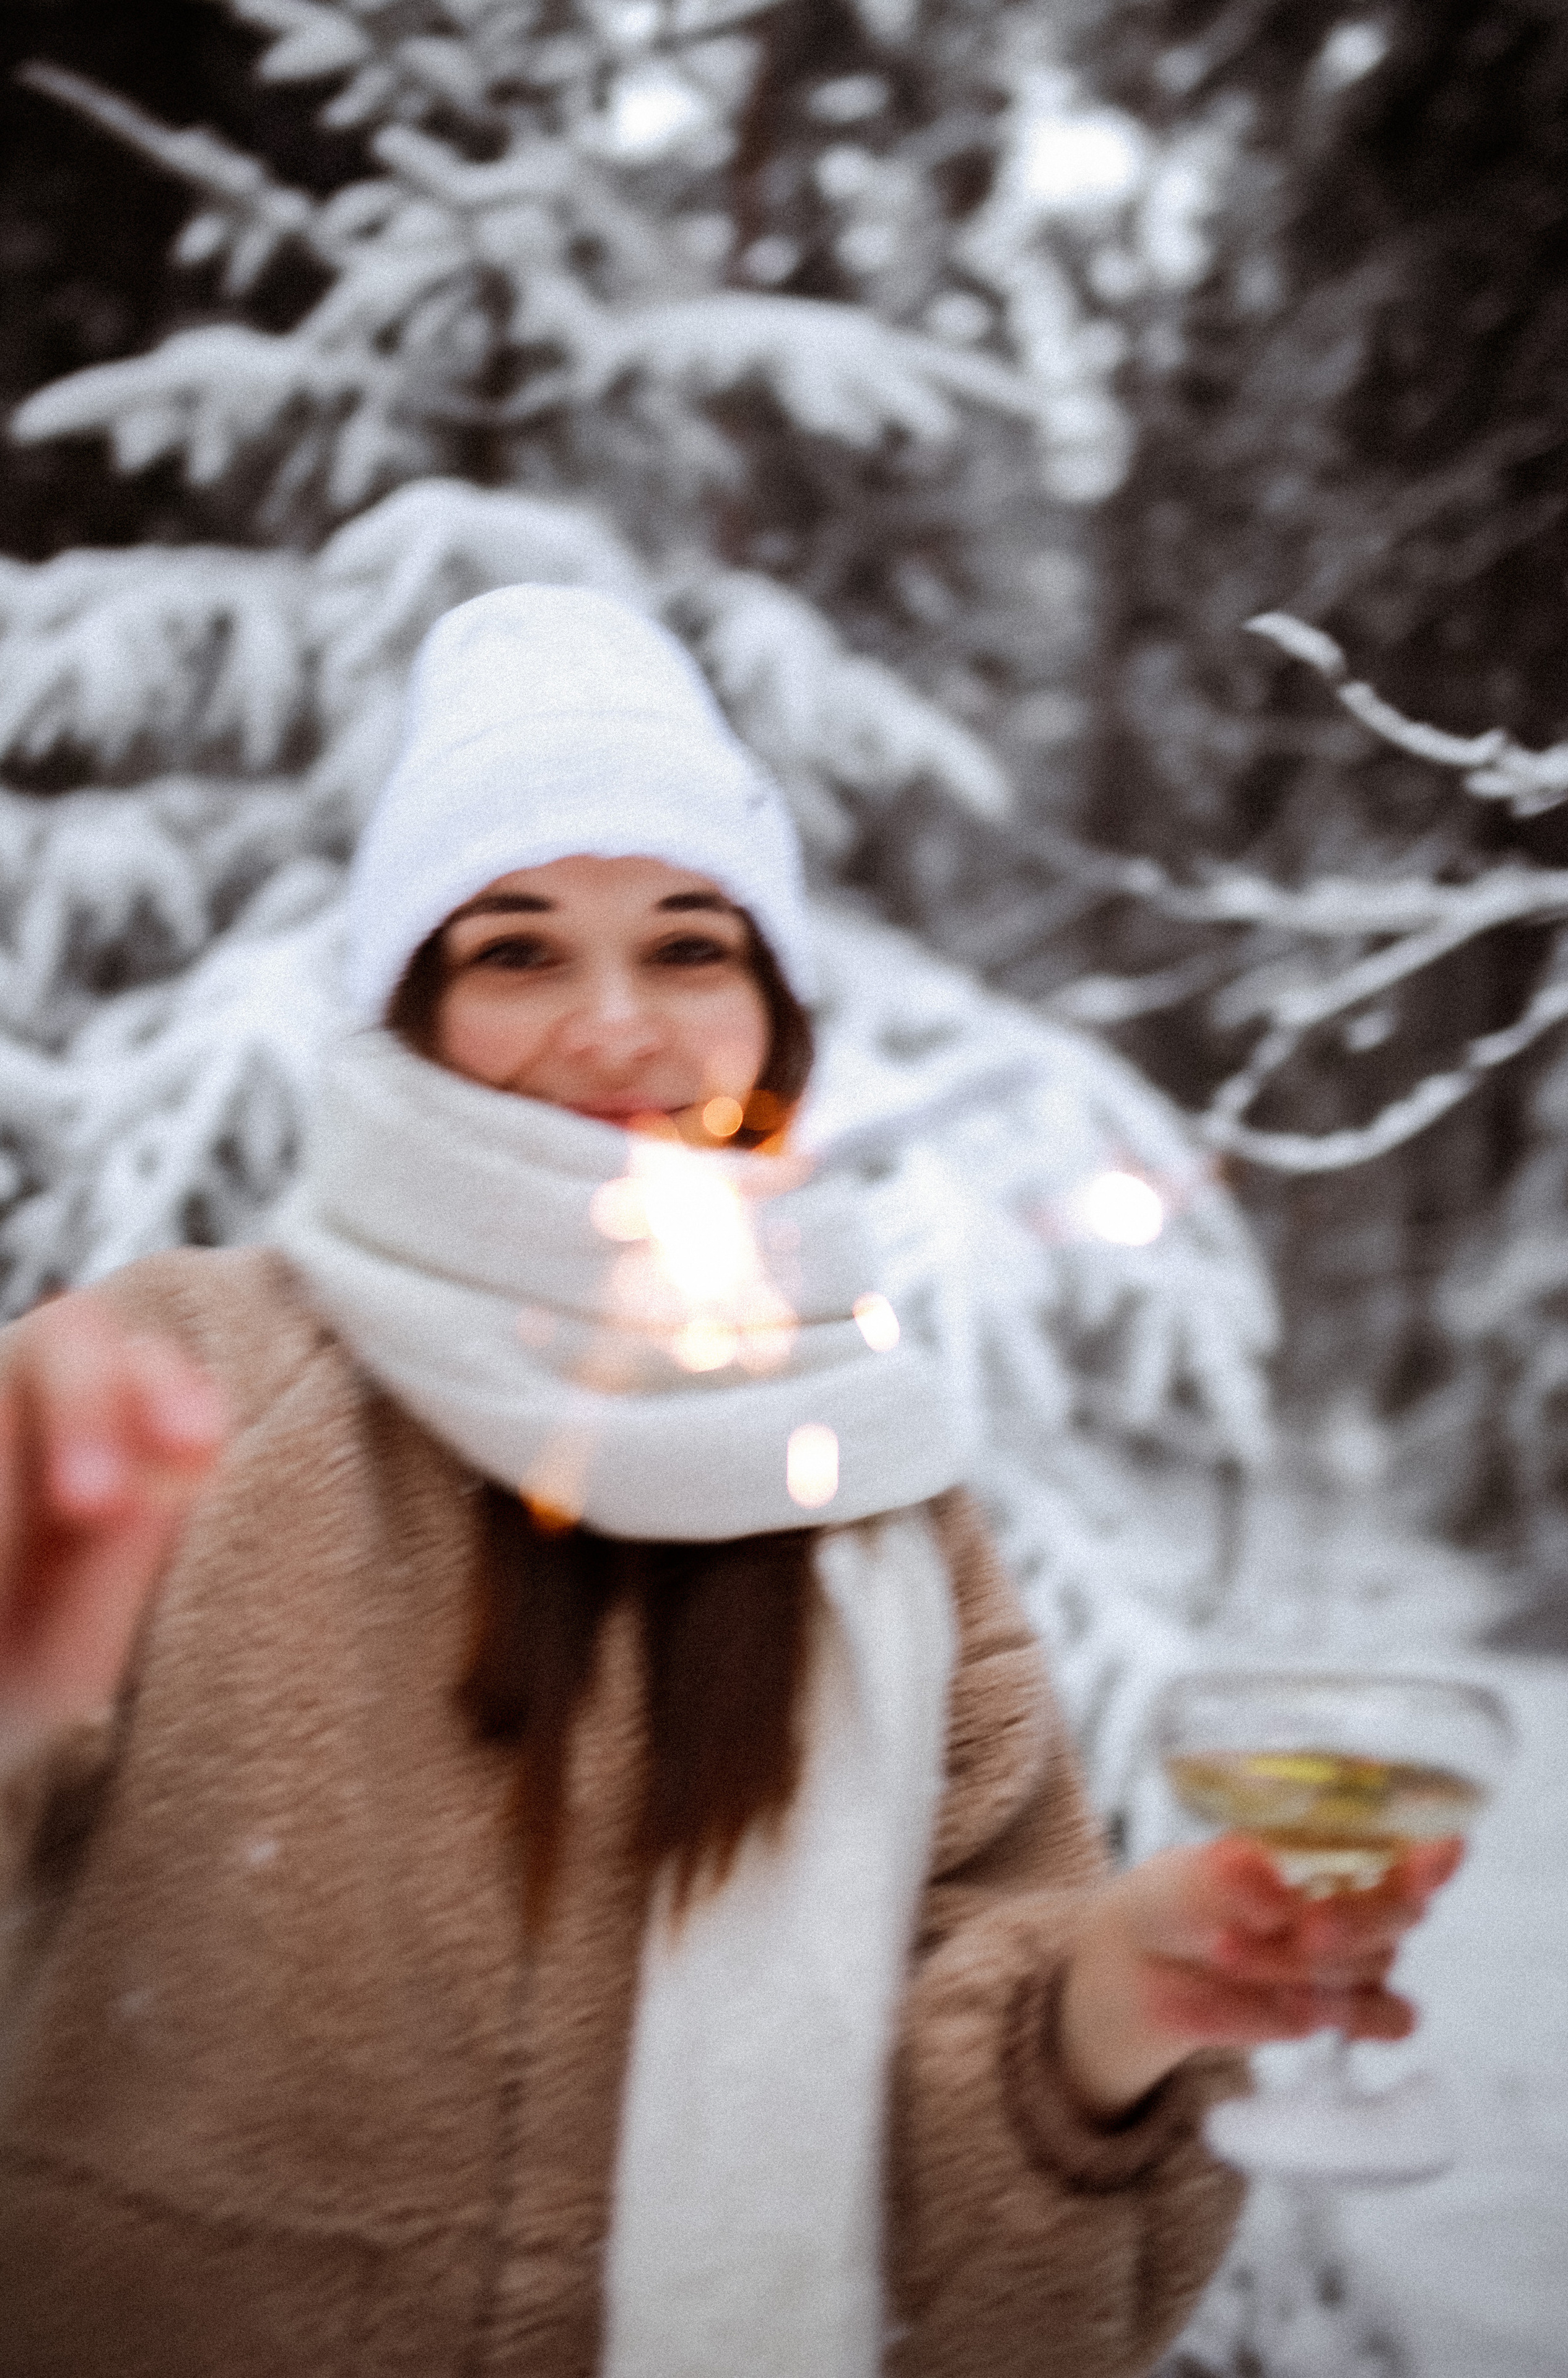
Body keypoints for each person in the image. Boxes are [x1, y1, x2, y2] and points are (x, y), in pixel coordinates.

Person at [0, 588, 1460, 2378]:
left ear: (770, 1013)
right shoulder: (175, 1380)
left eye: (690, 948)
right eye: (517, 951)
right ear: (409, 1011)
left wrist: (1097, 2012)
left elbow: (971, 2278)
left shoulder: (870, 1487)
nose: (618, 1029)